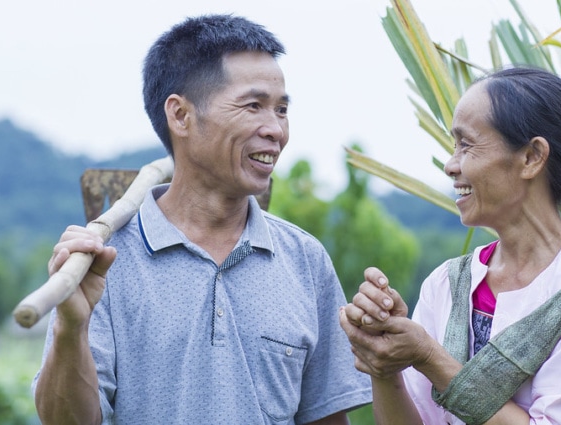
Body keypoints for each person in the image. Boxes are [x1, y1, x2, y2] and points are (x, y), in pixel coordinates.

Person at [32, 14, 371, 425]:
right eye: (253, 106)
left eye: (281, 110)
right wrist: (70, 327)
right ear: (180, 115)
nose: (276, 130)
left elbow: (325, 418)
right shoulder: (104, 263)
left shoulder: (305, 260)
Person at [339, 67, 561, 424]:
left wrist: (428, 355)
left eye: (466, 145)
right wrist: (385, 365)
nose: (450, 165)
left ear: (532, 157)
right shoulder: (448, 284)